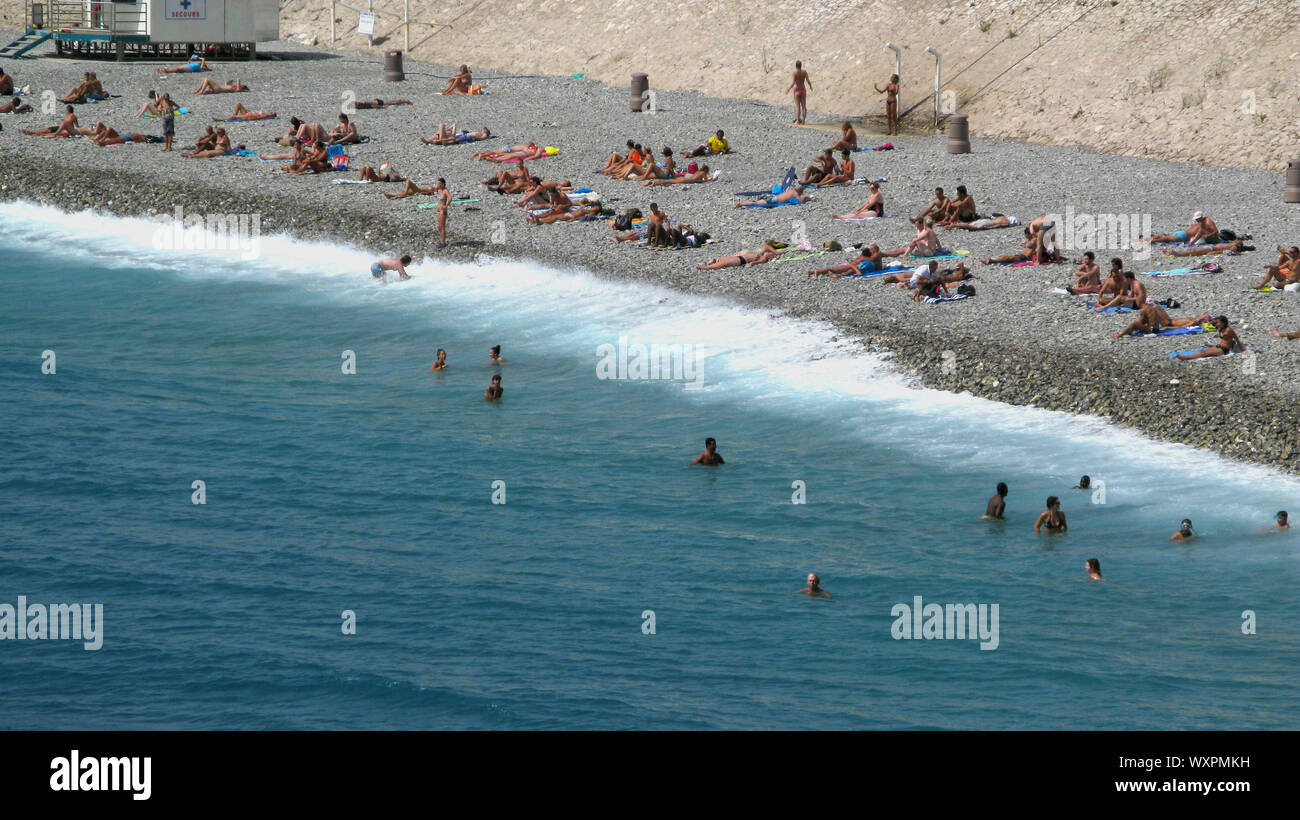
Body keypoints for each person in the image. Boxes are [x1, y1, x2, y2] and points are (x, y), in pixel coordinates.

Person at [1112, 299, 1212, 338]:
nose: (1203, 315)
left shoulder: (1194, 322)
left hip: (1167, 324)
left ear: (1204, 320)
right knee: (1153, 308)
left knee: (1149, 311)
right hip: (1168, 321)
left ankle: (1122, 334)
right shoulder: (1193, 318)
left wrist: (1167, 329)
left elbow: (1182, 327)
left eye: (1205, 316)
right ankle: (1129, 332)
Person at [1174, 315, 1244, 359]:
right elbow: (1207, 324)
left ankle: (1185, 357)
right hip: (1220, 346)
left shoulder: (1229, 330)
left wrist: (1241, 350)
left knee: (1203, 353)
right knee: (1204, 352)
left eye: (1218, 322)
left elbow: (1237, 339)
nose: (1216, 324)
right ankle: (1187, 357)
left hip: (1225, 349)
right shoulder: (1220, 328)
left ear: (1223, 323)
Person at [1145, 212, 1220, 245]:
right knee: (1167, 239)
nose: (1196, 220)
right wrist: (1191, 243)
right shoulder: (1204, 225)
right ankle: (1154, 240)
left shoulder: (1202, 224)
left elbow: (1215, 231)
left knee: (1166, 237)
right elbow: (1199, 235)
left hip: (1182, 233)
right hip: (1183, 236)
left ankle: (1151, 237)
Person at [731, 185, 808, 209]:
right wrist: (808, 199)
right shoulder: (795, 194)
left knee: (756, 202)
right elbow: (801, 201)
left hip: (772, 196)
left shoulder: (790, 190)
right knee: (756, 203)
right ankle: (740, 204)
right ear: (800, 192)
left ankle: (740, 204)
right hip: (773, 199)